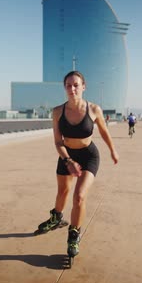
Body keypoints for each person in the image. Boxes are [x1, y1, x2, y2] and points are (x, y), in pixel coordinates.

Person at [35, 70, 119, 260]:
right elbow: (58, 142)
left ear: (83, 87)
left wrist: (113, 150)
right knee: (62, 192)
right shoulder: (57, 112)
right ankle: (56, 218)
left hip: (89, 155)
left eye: (76, 85)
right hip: (67, 155)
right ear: (64, 88)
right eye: (68, 85)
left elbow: (104, 132)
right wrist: (69, 161)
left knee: (79, 196)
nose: (72, 88)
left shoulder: (94, 109)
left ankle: (74, 234)